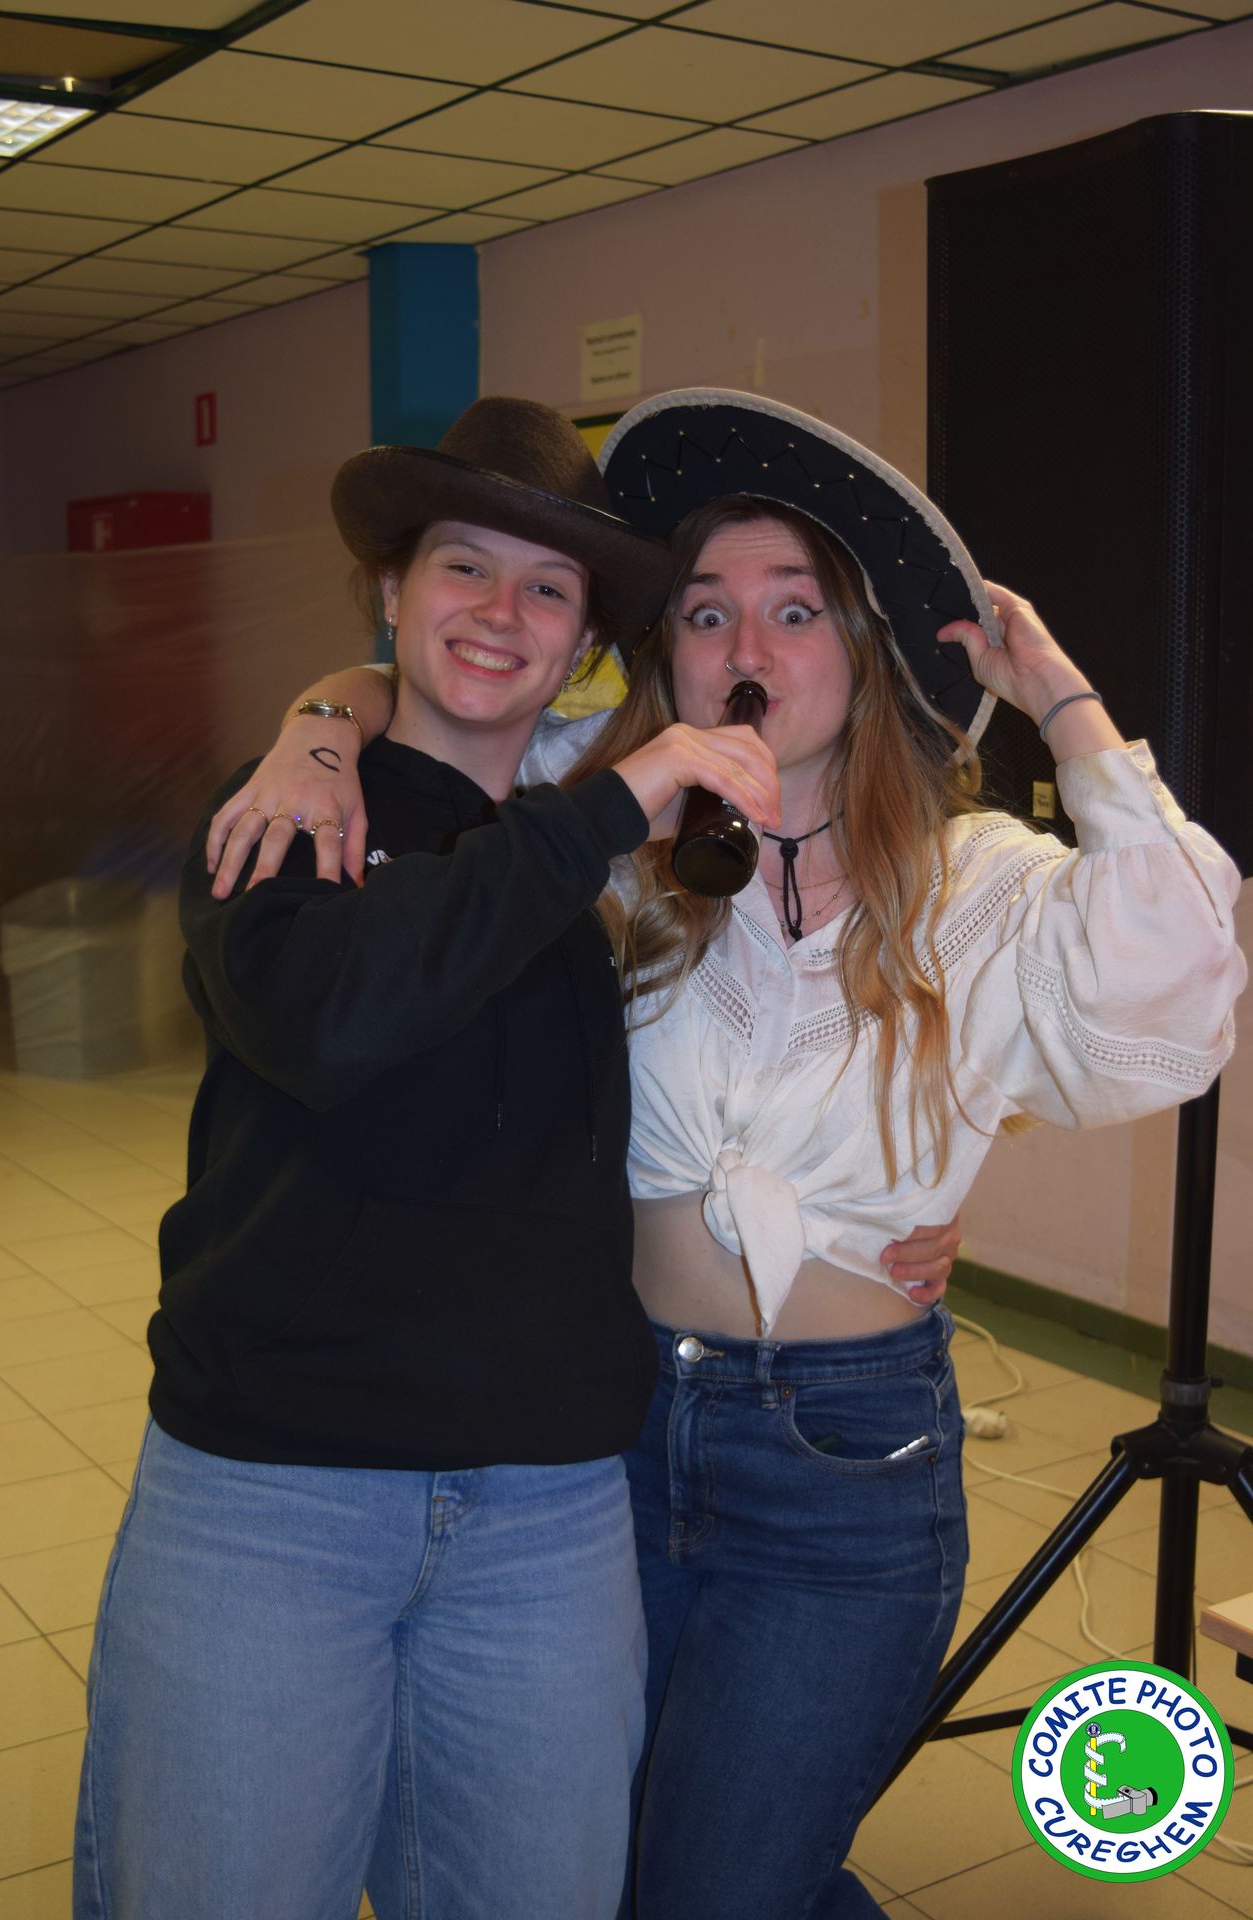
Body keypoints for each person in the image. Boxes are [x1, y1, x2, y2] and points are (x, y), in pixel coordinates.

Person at [207, 389, 1244, 1918]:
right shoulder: (612, 836)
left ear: (864, 651)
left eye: (795, 611)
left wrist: (1063, 701)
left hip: (845, 1463)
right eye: (706, 612)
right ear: (668, 656)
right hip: (602, 1440)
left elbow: (1178, 977)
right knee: (597, 1870)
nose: (748, 647)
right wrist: (319, 723)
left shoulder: (974, 885)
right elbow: (456, 680)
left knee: (720, 1885)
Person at [72, 395, 807, 1920]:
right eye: (463, 565)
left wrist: (872, 1225)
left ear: (581, 642)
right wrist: (336, 729)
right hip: (273, 1496)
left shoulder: (589, 857)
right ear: (392, 589)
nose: (499, 612)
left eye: (548, 589)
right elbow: (336, 1014)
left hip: (545, 1513)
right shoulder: (286, 815)